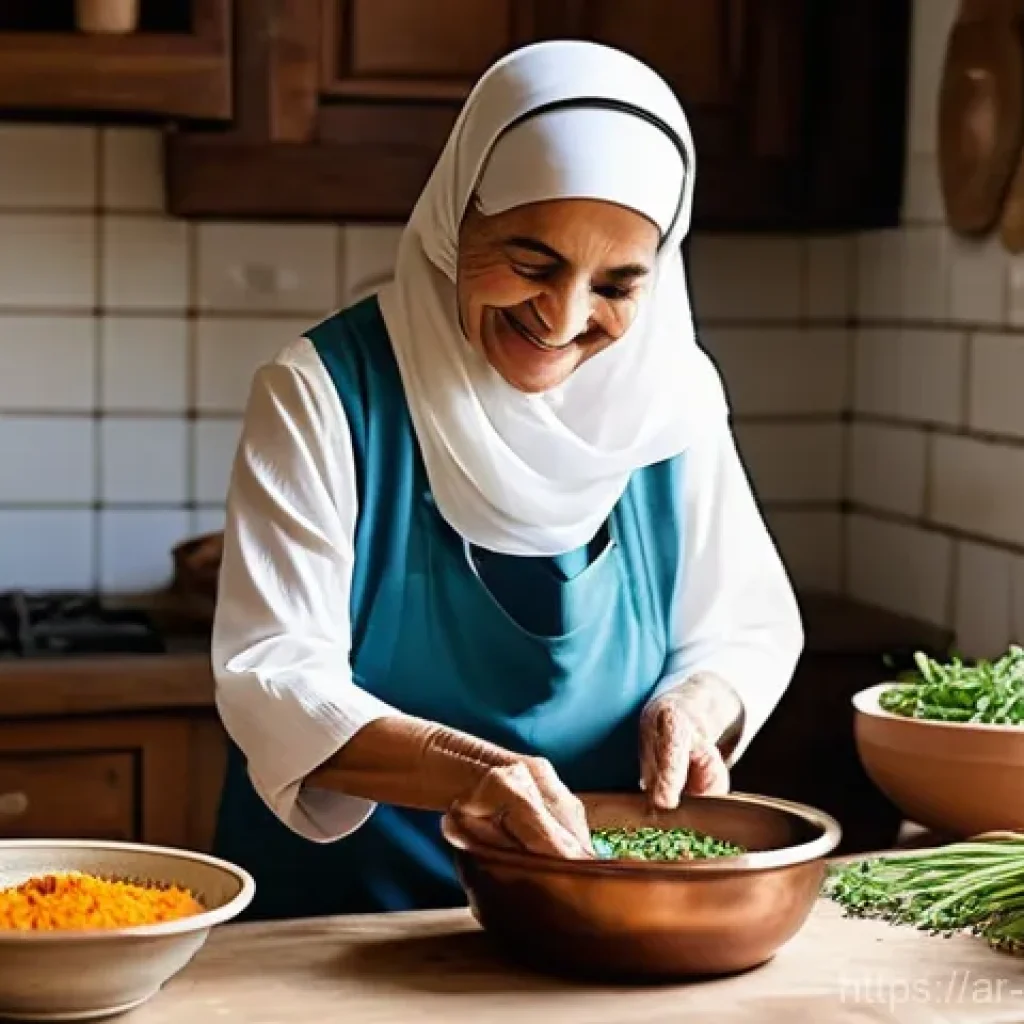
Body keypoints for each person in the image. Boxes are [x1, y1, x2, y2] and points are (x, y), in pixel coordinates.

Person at [210, 39, 803, 921]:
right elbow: (274, 673)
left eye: (616, 283)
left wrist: (693, 704)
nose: (563, 318)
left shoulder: (670, 401)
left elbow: (743, 627)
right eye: (531, 261)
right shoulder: (326, 391)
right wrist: (479, 772)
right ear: (458, 217)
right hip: (343, 929)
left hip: (588, 917)